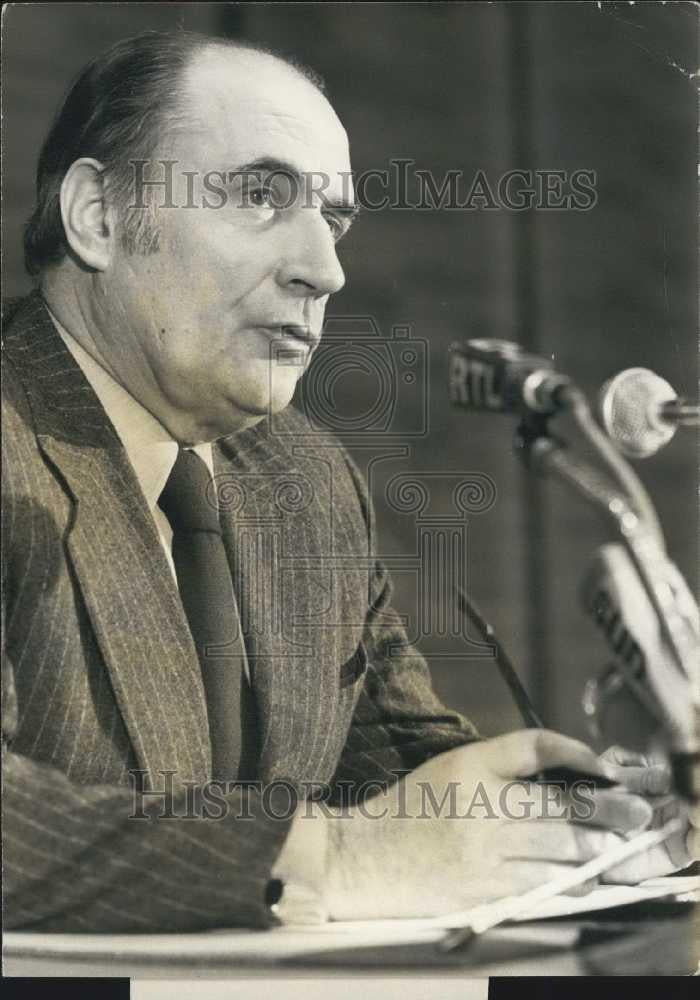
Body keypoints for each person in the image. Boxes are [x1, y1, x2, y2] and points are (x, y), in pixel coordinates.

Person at [2, 30, 695, 934]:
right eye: (261, 196)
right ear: (97, 215)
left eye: (333, 221)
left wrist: (609, 822)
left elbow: (404, 777)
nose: (325, 271)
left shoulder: (303, 476)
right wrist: (340, 860)